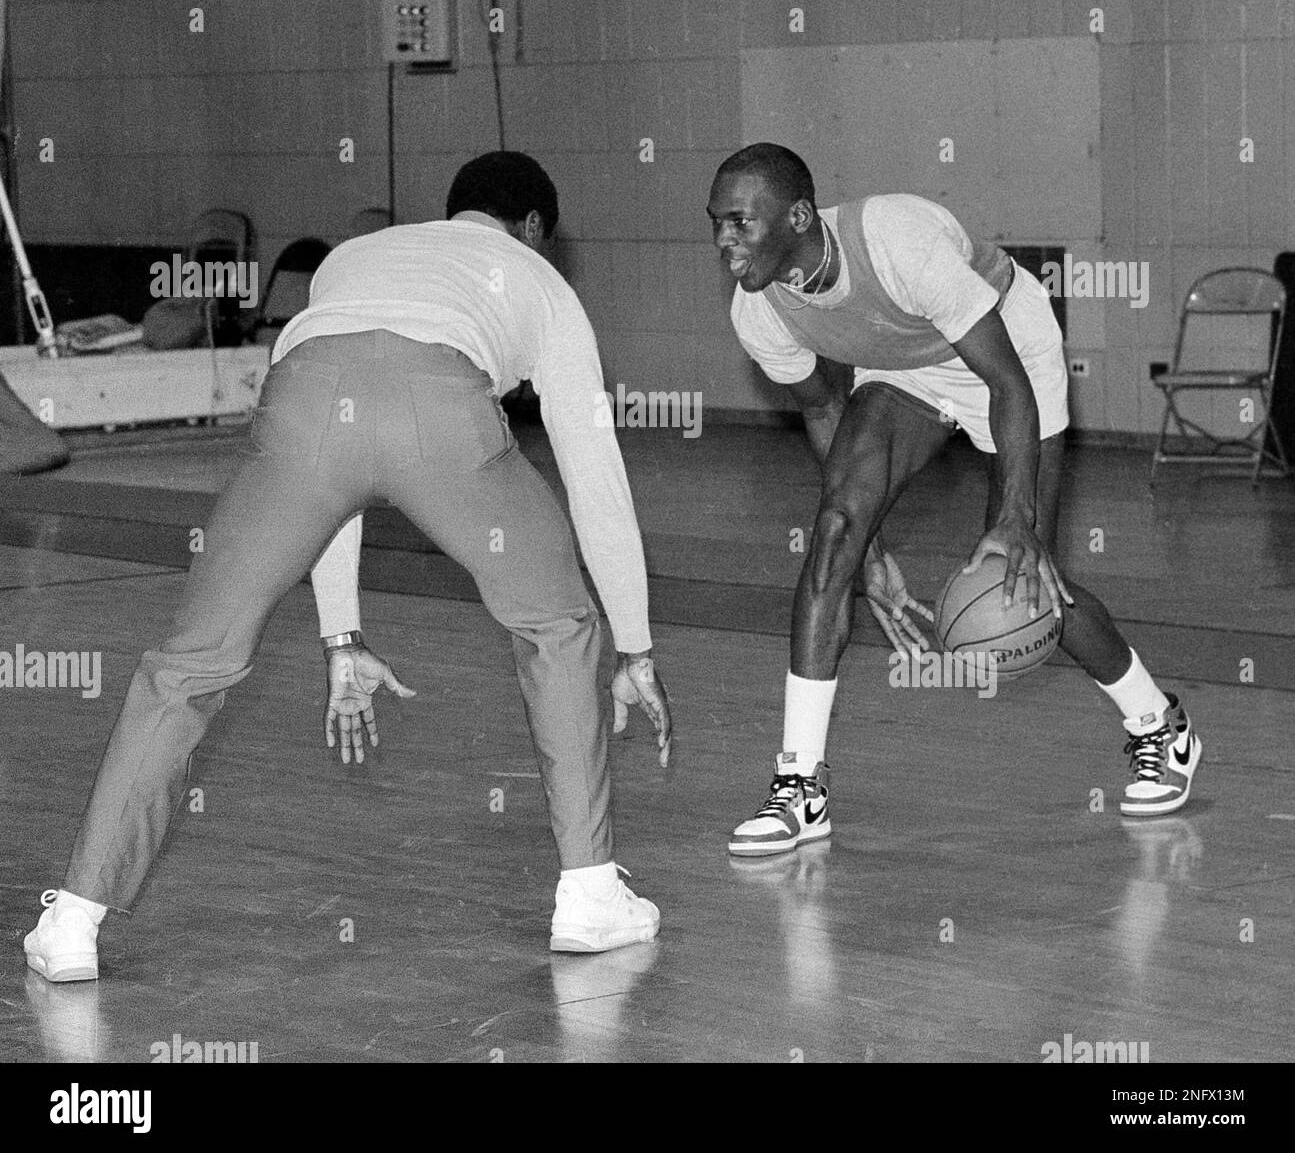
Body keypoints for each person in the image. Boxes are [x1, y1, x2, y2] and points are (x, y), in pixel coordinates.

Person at [25, 151, 672, 980]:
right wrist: (635, 643)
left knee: (188, 666)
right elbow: (593, 471)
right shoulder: (536, 279)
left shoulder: (355, 257)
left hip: (298, 407)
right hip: (443, 410)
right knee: (555, 624)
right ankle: (588, 896)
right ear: (535, 228)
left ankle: (74, 920)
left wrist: (341, 640)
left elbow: (340, 461)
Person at [708, 143, 1200, 857]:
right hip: (904, 367)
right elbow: (822, 413)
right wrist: (867, 550)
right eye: (715, 223)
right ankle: (800, 786)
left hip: (1007, 351)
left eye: (738, 223)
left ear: (799, 217)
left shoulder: (898, 241)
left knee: (1024, 579)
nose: (723, 240)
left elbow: (1006, 384)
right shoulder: (760, 312)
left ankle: (1158, 724)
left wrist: (1014, 519)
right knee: (833, 538)